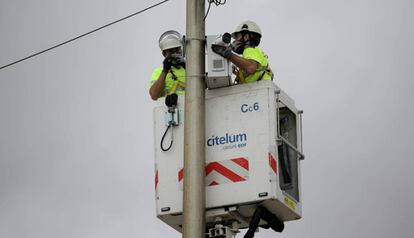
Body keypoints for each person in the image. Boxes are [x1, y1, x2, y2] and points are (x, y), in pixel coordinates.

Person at [149, 30, 186, 101]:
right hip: (169, 110)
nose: (175, 53)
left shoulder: (192, 68)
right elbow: (154, 95)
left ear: (181, 50)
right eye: (170, 50)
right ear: (164, 53)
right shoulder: (158, 72)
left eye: (177, 49)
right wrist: (165, 71)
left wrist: (187, 67)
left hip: (192, 107)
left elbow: (204, 89)